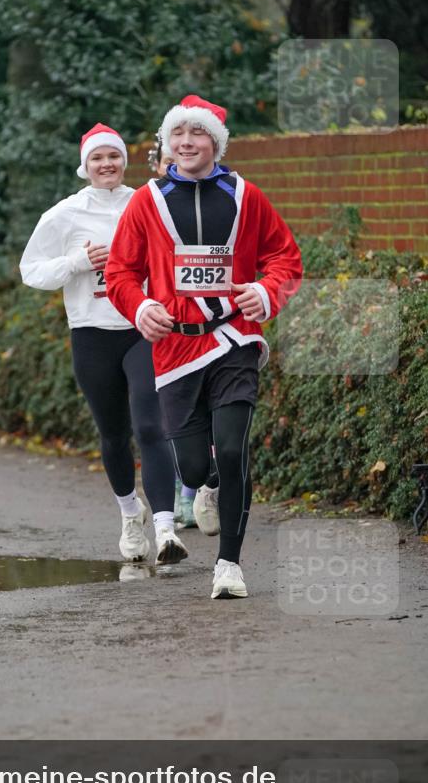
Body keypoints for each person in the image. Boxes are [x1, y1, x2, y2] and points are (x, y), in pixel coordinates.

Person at [106, 96, 302, 599]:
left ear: (215, 142)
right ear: (167, 143)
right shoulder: (146, 201)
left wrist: (264, 291)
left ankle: (229, 566)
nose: (187, 143)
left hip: (234, 339)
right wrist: (140, 307)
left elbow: (284, 256)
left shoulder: (245, 196)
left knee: (234, 448)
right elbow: (121, 272)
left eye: (197, 134)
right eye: (178, 134)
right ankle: (208, 482)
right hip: (175, 349)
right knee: (193, 467)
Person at [19, 123, 187, 567]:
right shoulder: (63, 216)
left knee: (152, 427)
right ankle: (132, 516)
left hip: (142, 327)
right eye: (98, 158)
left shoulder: (147, 202)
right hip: (92, 335)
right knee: (114, 436)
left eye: (113, 156)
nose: (107, 164)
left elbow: (178, 254)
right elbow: (30, 270)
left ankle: (167, 529)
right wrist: (77, 261)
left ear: (123, 162)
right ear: (85, 167)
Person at [148, 134, 197, 531]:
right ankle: (184, 492)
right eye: (166, 162)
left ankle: (201, 490)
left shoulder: (221, 199)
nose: (173, 168)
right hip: (158, 324)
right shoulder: (147, 204)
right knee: (171, 417)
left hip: (205, 326)